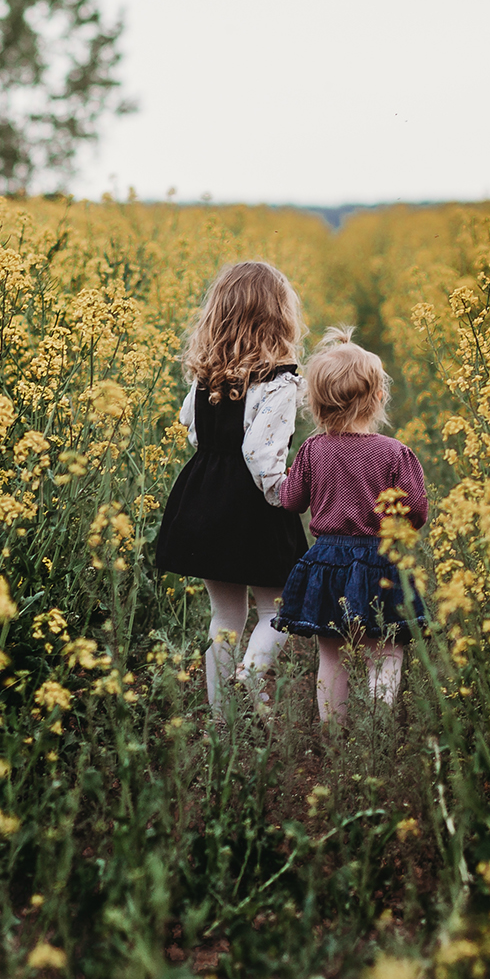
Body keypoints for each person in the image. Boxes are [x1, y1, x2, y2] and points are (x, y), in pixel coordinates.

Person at [153, 261, 310, 711]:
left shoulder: (206, 378)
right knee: (280, 608)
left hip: (204, 497)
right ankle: (250, 675)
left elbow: (193, 431)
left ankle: (222, 718)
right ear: (278, 317)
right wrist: (286, 496)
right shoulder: (279, 382)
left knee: (225, 616)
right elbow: (262, 455)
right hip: (253, 505)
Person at [271, 326, 430, 720]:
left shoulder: (312, 449)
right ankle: (376, 730)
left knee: (332, 655)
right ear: (378, 397)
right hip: (380, 562)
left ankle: (332, 736)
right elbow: (417, 512)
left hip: (326, 563)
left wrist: (290, 474)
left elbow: (291, 501)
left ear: (315, 403)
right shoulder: (395, 453)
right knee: (387, 651)